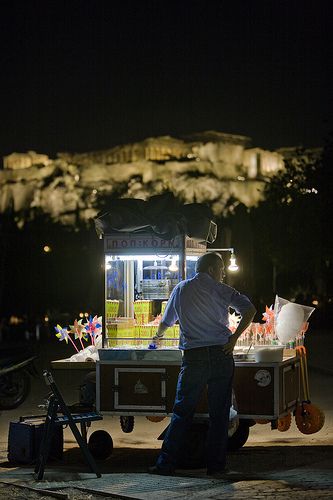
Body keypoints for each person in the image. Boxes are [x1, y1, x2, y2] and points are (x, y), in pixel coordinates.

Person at [148, 252, 256, 477]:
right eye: (221, 270)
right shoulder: (222, 290)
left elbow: (166, 322)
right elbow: (250, 310)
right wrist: (234, 339)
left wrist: (156, 338)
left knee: (181, 412)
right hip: (220, 355)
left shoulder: (181, 289)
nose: (224, 274)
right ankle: (216, 467)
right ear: (211, 270)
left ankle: (165, 465)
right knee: (219, 414)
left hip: (194, 357)